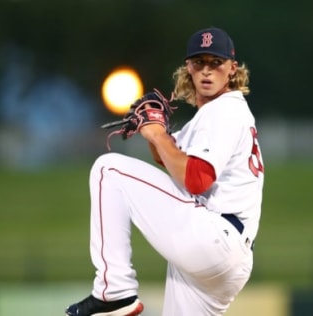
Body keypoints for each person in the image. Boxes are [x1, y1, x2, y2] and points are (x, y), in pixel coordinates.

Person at [65, 26, 265, 316]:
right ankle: (116, 294)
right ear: (189, 68)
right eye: (199, 63)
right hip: (225, 259)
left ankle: (115, 292)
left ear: (232, 69)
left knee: (108, 170)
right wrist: (155, 134)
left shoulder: (224, 109)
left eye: (216, 63)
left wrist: (157, 134)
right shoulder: (216, 115)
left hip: (215, 237)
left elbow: (196, 178)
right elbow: (171, 160)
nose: (207, 71)